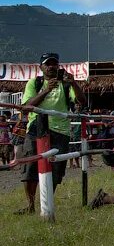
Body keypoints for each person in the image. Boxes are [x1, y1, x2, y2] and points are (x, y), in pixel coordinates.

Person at [16, 53, 86, 215]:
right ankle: (31, 205)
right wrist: (46, 90)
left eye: (54, 64)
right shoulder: (35, 83)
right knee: (30, 167)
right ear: (41, 67)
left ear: (59, 66)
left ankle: (46, 204)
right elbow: (26, 106)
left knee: (55, 169)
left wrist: (74, 83)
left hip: (60, 130)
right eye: (47, 64)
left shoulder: (67, 85)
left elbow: (81, 102)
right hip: (36, 128)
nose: (51, 67)